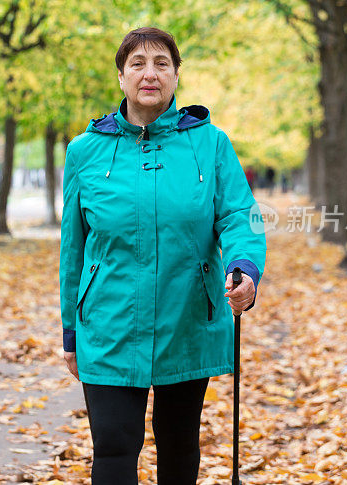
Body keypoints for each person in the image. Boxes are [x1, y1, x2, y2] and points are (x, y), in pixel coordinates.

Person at [59, 27, 266, 484]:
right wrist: (70, 333)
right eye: (138, 64)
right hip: (109, 322)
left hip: (186, 318)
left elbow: (238, 217)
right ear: (121, 77)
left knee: (178, 443)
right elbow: (73, 249)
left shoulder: (210, 144)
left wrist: (245, 268)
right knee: (113, 446)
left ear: (175, 75)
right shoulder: (85, 151)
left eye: (161, 64)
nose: (149, 74)